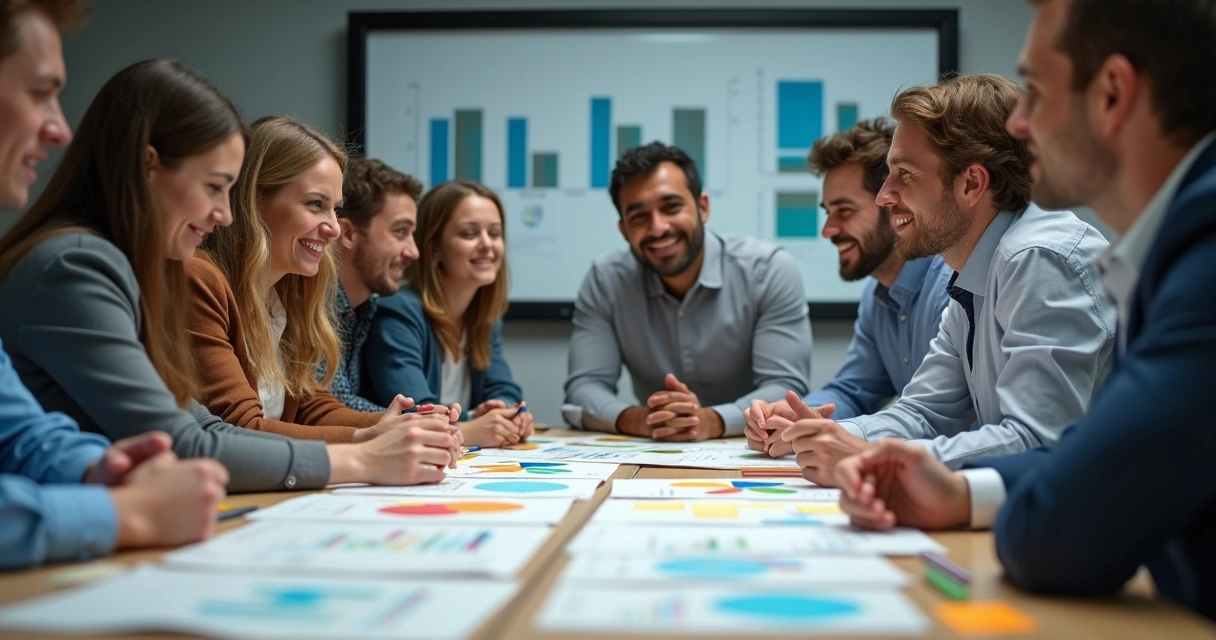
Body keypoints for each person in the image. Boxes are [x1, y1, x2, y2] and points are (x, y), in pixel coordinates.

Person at [831, 0, 1216, 621]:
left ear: (1112, 94)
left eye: (1034, 91)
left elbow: (1059, 527)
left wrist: (934, 480)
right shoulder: (1166, 247)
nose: (1020, 124)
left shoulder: (1195, 245)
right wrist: (955, 489)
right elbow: (1084, 457)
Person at [0, 59, 459, 494]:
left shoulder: (119, 270)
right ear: (148, 165)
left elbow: (204, 427)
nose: (224, 214)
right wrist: (366, 458)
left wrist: (381, 434)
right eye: (213, 187)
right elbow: (192, 444)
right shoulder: (77, 266)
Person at [754, 74, 1115, 484]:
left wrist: (869, 454)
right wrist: (829, 435)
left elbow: (1036, 442)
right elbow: (924, 411)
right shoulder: (976, 269)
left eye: (904, 174)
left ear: (972, 183)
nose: (884, 196)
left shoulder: (1036, 258)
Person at [0, 0, 226, 569]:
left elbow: (19, 435)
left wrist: (98, 467)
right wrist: (130, 512)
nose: (59, 127)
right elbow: (195, 439)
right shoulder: (74, 262)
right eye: (39, 92)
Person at [189, 115, 462, 448]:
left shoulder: (286, 296)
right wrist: (368, 437)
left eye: (335, 209)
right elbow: (238, 428)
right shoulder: (200, 279)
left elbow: (312, 407)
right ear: (253, 201)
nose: (334, 228)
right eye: (315, 204)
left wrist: (410, 422)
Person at [563, 142, 813, 441]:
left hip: (750, 446)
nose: (657, 228)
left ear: (703, 207)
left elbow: (785, 387)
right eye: (639, 217)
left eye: (671, 207)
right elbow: (583, 388)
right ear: (623, 230)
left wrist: (711, 421)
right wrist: (642, 420)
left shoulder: (768, 270)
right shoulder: (605, 281)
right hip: (655, 448)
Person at [744, 118, 952, 457]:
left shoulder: (950, 288)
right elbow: (854, 390)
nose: (828, 230)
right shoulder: (877, 295)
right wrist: (796, 414)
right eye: (828, 212)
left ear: (894, 203)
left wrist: (829, 433)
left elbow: (936, 418)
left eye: (844, 211)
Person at [366, 180, 533, 448]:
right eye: (469, 234)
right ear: (434, 248)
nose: (487, 245)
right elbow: (415, 411)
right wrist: (472, 428)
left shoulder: (484, 317)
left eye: (495, 233)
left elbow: (505, 388)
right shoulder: (397, 311)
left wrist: (508, 413)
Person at [321, 158, 423, 413]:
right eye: (400, 232)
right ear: (348, 234)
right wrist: (420, 419)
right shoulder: (313, 303)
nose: (413, 252)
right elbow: (330, 406)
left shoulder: (365, 308)